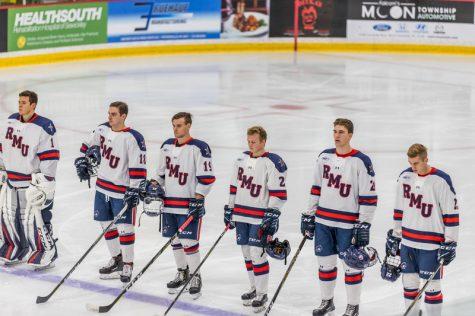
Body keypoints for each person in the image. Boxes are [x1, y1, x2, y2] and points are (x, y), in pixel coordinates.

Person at [301, 118, 377, 316]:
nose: (336, 135)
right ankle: (327, 302)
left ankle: (353, 306)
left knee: (351, 265)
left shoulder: (361, 161)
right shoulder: (324, 157)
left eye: (341, 132)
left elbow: (368, 196)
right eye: (335, 131)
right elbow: (316, 187)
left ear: (350, 135)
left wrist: (364, 223)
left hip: (347, 223)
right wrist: (310, 214)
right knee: (325, 264)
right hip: (323, 221)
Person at [75, 101, 147, 284]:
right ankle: (117, 259)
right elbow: (85, 146)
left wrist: (134, 189)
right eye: (109, 113)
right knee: (106, 224)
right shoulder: (102, 130)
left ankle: (128, 263)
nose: (110, 117)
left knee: (125, 228)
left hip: (121, 191)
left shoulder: (133, 138)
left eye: (114, 114)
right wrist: (82, 160)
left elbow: (138, 167)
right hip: (102, 187)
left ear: (123, 116)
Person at [383, 144, 458, 316]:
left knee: (432, 287)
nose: (413, 167)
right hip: (408, 242)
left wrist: (450, 242)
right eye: (410, 162)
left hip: (431, 245)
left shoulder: (441, 180)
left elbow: (451, 214)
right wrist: (396, 235)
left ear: (426, 159)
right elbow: (399, 208)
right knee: (409, 283)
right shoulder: (405, 176)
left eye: (416, 163)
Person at [224, 126, 287, 313]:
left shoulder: (272, 162)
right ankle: (254, 288)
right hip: (241, 213)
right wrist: (230, 208)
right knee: (246, 253)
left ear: (263, 141)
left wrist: (273, 212)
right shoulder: (240, 159)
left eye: (254, 141)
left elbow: (279, 193)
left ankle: (262, 293)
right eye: (249, 141)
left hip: (259, 216)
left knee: (256, 253)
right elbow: (233, 187)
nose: (251, 144)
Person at [156, 112, 215, 299]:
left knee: (189, 242)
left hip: (188, 204)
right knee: (175, 241)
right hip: (169, 203)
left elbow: (207, 178)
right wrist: (153, 186)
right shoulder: (166, 146)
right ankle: (182, 272)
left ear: (188, 125)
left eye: (179, 125)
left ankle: (196, 275)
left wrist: (198, 199)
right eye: (174, 125)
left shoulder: (199, 148)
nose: (176, 129)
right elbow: (160, 174)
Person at [0, 90, 60, 270]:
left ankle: (46, 251)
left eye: (24, 102)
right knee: (9, 217)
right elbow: (3, 147)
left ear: (33, 105)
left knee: (35, 220)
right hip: (11, 178)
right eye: (19, 101)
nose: (20, 105)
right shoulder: (11, 120)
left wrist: (45, 181)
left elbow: (50, 157)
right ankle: (15, 246)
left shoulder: (44, 126)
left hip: (32, 183)